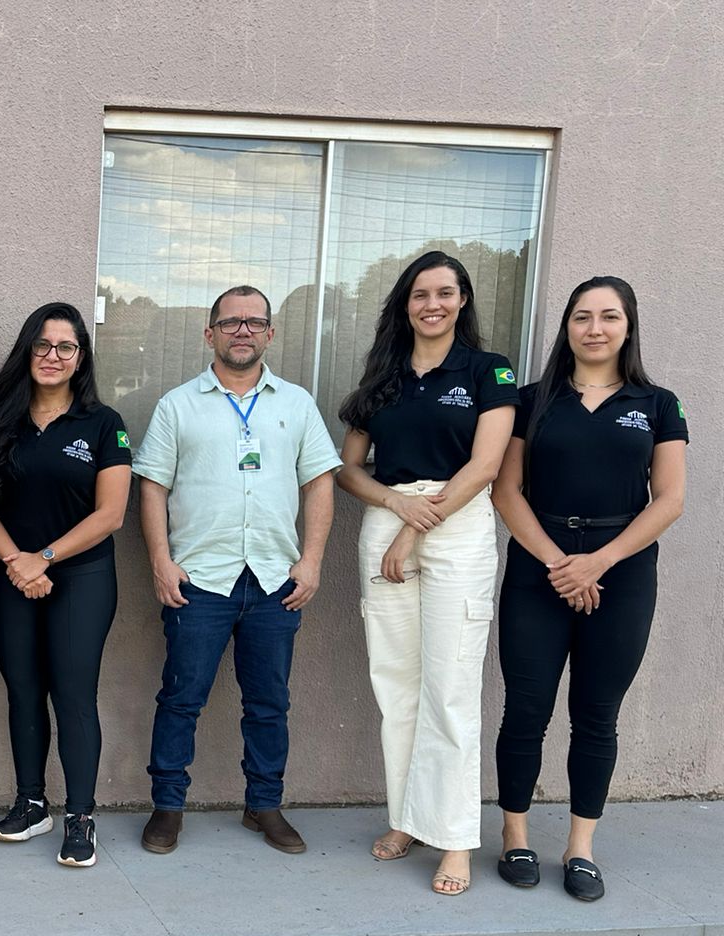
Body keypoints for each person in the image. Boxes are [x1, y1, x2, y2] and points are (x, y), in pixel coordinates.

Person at [491, 277, 686, 901]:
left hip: (621, 575)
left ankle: (580, 849)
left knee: (597, 717)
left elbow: (671, 500)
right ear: (567, 327)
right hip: (536, 568)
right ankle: (515, 836)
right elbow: (505, 491)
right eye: (582, 316)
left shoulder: (658, 403)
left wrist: (596, 563)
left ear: (628, 326)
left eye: (609, 317)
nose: (594, 328)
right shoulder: (532, 401)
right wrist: (558, 563)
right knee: (526, 711)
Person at [133, 286, 340, 857]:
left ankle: (265, 804)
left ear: (270, 334)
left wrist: (313, 561)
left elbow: (320, 481)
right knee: (180, 698)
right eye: (230, 323)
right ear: (210, 334)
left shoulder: (296, 404)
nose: (242, 331)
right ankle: (168, 807)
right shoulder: (178, 405)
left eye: (254, 322)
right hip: (199, 579)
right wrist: (160, 562)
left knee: (269, 702)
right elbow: (152, 485)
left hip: (276, 581)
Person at [336, 250, 518, 896]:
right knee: (397, 687)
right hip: (390, 520)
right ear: (404, 305)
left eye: (445, 293)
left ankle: (456, 839)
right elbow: (349, 469)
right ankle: (409, 817)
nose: (432, 304)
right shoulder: (384, 373)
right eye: (420, 295)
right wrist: (395, 508)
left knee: (450, 688)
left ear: (463, 299)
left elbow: (485, 465)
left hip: (454, 524)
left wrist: (416, 526)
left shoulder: (488, 371)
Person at [0, 302, 131, 868]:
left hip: (82, 578)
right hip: (13, 573)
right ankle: (31, 803)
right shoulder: (0, 420)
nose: (53, 356)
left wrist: (44, 559)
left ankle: (80, 816)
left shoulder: (103, 422)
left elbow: (111, 514)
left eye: (65, 347)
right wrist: (18, 561)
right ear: (27, 350)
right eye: (42, 345)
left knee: (73, 694)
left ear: (80, 357)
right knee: (22, 689)